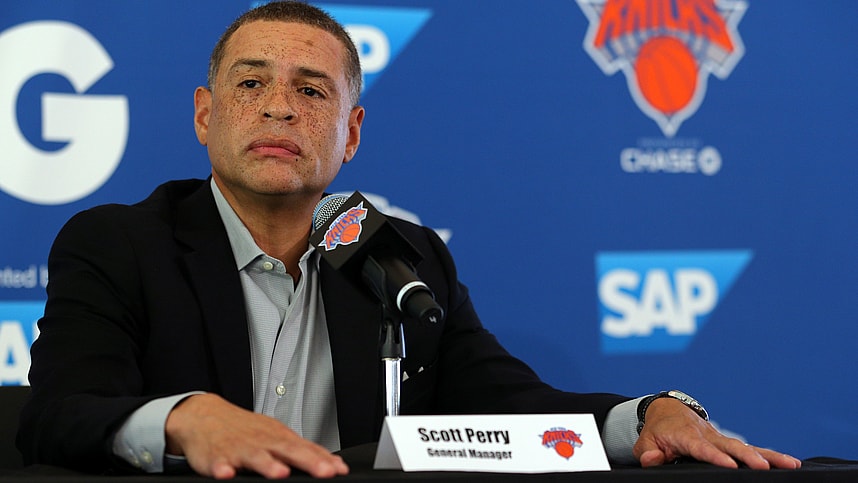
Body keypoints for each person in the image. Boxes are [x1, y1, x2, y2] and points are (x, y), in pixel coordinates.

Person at [17, 1, 801, 479]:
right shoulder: (119, 244)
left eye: (312, 90)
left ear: (351, 133)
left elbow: (509, 406)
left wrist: (652, 413)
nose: (280, 108)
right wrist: (186, 416)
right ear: (203, 114)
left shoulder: (402, 258)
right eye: (250, 83)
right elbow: (58, 412)